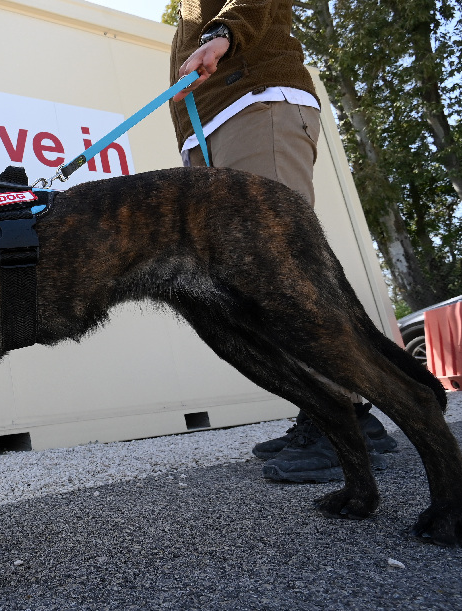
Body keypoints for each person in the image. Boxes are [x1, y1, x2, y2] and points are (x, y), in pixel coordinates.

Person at [168, 0, 397, 483]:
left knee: (283, 270)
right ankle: (348, 415)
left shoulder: (220, 23)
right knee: (259, 283)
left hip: (253, 102)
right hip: (214, 125)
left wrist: (224, 33)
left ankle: (338, 424)